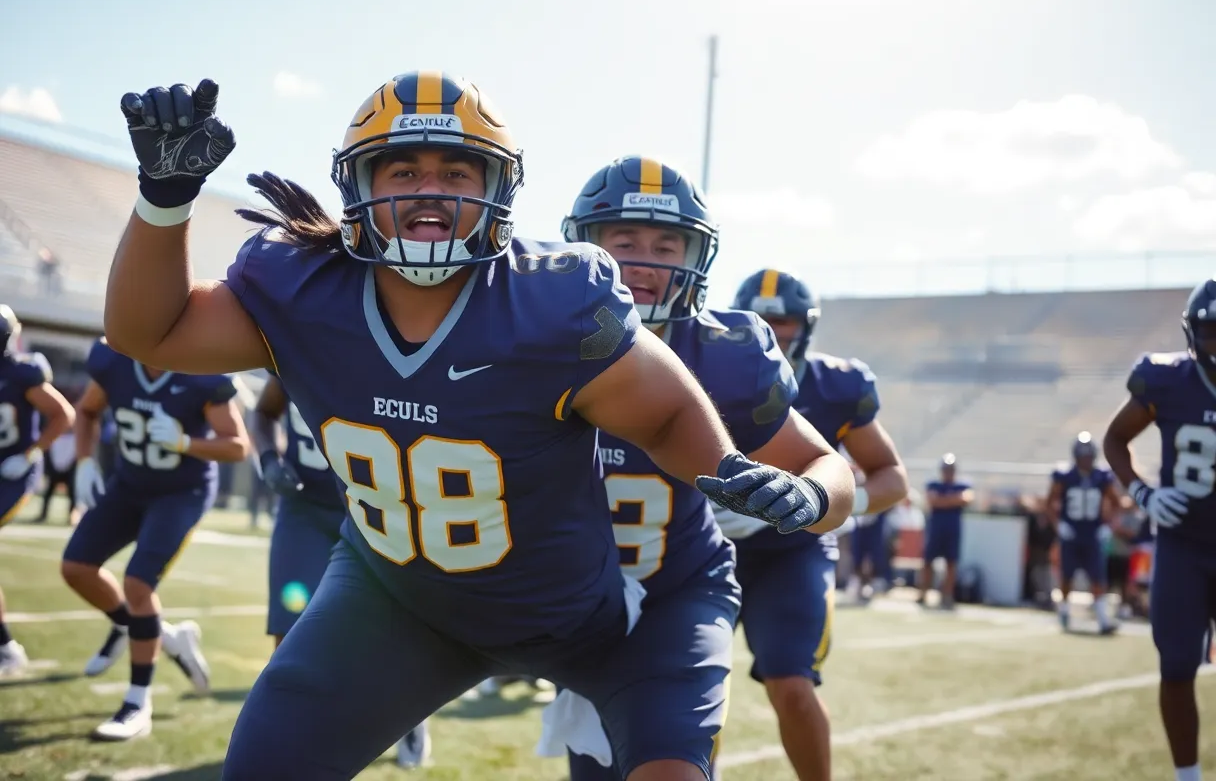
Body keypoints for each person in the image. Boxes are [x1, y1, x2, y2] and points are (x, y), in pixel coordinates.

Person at [102, 74, 852, 780]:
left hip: (621, 612)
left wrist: (737, 473)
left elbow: (668, 415)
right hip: (404, 597)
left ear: (498, 188)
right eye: (403, 171)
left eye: (456, 173)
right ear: (359, 185)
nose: (430, 191)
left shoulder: (556, 303)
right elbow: (150, 333)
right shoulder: (302, 285)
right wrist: (165, 201)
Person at [555, 159, 853, 781]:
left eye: (667, 247)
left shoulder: (724, 354)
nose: (645, 262)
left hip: (678, 589)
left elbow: (827, 466)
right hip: (569, 596)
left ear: (696, 257)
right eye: (625, 241)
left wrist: (807, 493)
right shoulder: (529, 336)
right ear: (584, 246)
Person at [729, 269, 909, 781]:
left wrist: (839, 504)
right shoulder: (703, 367)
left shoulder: (836, 385)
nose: (770, 330)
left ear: (805, 325)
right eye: (757, 318)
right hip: (705, 545)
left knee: (792, 685)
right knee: (689, 689)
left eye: (782, 320)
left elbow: (892, 477)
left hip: (792, 552)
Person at [61, 337, 250, 740]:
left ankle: (136, 703)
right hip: (129, 483)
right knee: (76, 567)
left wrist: (185, 442)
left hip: (182, 491)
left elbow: (237, 446)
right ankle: (159, 634)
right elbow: (88, 410)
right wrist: (83, 461)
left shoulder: (201, 372)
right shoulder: (112, 359)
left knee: (138, 583)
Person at [252, 373, 432, 768]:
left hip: (372, 510)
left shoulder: (381, 356)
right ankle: (293, 737)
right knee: (289, 626)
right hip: (303, 506)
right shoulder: (295, 344)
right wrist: (268, 458)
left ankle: (409, 713)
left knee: (383, 632)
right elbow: (264, 412)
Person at [1103, 278, 1216, 781]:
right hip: (1183, 546)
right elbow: (1115, 440)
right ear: (1193, 332)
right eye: (1212, 330)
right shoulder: (1166, 380)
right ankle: (1187, 776)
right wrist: (1143, 494)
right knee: (1176, 665)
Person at [0, 305, 75, 674]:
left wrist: (30, 454)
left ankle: (6, 648)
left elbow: (63, 414)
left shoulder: (21, 374)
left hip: (13, 473)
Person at [1046, 431, 1121, 633]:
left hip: (1092, 534)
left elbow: (1116, 504)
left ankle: (1103, 619)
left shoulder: (1102, 477)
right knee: (1066, 577)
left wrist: (1108, 526)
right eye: (1083, 455)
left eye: (1088, 455)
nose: (1086, 460)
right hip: (1071, 533)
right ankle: (1064, 611)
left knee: (1098, 578)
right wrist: (1058, 525)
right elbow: (1049, 504)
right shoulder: (1064, 476)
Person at [917, 453, 973, 608]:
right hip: (936, 529)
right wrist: (953, 500)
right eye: (946, 469)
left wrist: (943, 500)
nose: (948, 472)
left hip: (952, 530)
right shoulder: (933, 484)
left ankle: (947, 595)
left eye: (951, 469)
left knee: (951, 562)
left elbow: (966, 499)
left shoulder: (963, 484)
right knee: (927, 560)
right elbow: (932, 500)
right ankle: (923, 593)